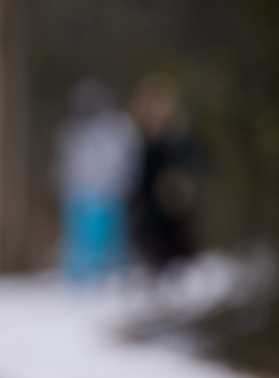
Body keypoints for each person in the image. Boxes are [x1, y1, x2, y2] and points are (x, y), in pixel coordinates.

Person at [54, 78, 142, 284]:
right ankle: (79, 278)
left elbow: (127, 160)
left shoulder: (117, 127)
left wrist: (125, 184)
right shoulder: (71, 129)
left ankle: (109, 276)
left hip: (108, 192)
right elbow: (64, 162)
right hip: (76, 192)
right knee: (78, 239)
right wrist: (60, 184)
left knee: (107, 238)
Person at [128, 73, 204, 272]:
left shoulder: (177, 132)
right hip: (150, 193)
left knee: (177, 233)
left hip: (172, 191)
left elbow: (192, 156)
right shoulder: (140, 134)